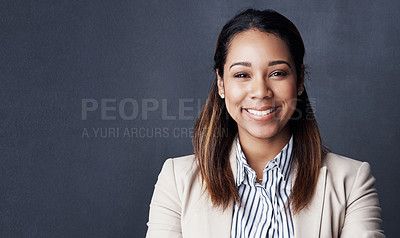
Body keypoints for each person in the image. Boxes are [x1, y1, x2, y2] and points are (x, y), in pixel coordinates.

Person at [146, 9, 384, 238]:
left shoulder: (351, 182)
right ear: (221, 83)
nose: (261, 92)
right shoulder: (177, 180)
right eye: (242, 75)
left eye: (277, 73)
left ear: (300, 80)